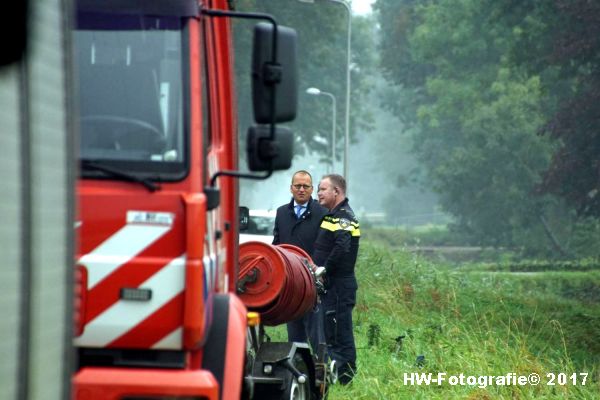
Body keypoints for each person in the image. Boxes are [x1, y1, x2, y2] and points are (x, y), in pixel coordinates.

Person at [272, 170, 328, 355]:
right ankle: (297, 369)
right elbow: (277, 244)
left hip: (313, 282)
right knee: (294, 332)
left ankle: (321, 370)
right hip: (290, 282)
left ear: (312, 189)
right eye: (298, 186)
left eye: (306, 186)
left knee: (315, 332)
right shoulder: (281, 213)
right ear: (291, 188)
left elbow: (325, 248)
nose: (301, 190)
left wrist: (317, 273)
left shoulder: (322, 213)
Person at [313, 174, 360, 385]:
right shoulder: (332, 215)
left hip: (340, 285)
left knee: (340, 333)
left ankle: (345, 380)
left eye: (323, 189)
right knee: (331, 332)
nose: (318, 193)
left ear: (336, 192)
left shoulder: (344, 217)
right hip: (332, 285)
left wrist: (324, 270)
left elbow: (342, 247)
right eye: (319, 189)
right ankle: (336, 376)